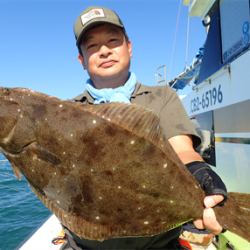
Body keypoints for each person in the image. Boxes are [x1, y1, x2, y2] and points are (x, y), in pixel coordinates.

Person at [61, 6, 227, 250]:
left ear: (129, 47)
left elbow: (181, 149)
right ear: (81, 60)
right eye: (92, 46)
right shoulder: (67, 111)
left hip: (158, 242)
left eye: (112, 40)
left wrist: (199, 171)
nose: (104, 50)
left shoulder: (163, 97)